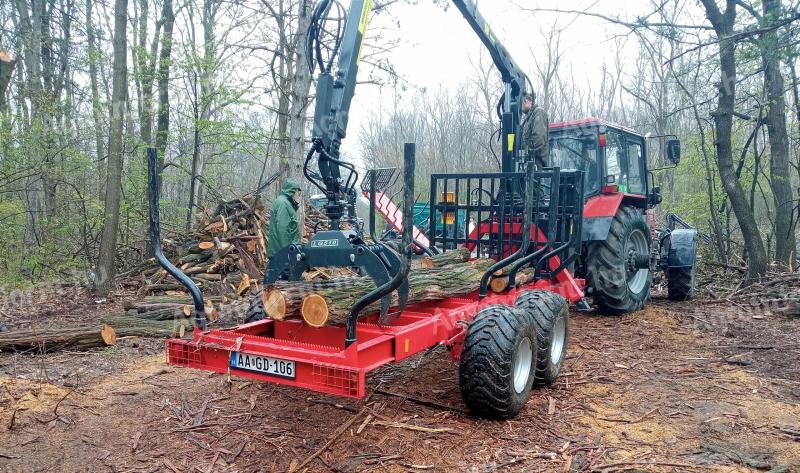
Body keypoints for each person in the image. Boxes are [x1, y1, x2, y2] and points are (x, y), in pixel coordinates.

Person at [268, 179, 302, 278]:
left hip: (280, 252)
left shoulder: (285, 202)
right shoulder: (284, 203)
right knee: (293, 283)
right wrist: (289, 252)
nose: (298, 196)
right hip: (283, 253)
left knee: (286, 283)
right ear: (292, 191)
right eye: (297, 193)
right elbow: (283, 229)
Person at [521, 92, 549, 169]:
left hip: (536, 163)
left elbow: (538, 139)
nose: (521, 107)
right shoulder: (528, 118)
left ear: (526, 101)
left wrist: (526, 151)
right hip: (530, 162)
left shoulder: (538, 112)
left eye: (521, 103)